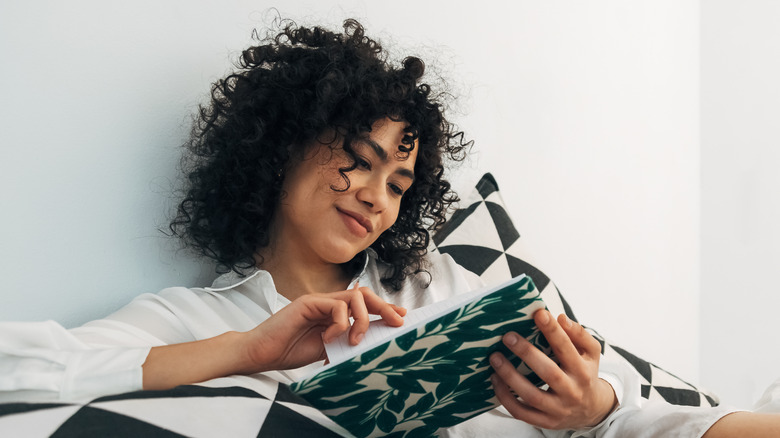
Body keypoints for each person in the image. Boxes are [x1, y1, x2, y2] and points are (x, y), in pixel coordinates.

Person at [0, 18, 777, 437]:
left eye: (399, 181)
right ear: (279, 148)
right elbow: (16, 371)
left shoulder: (438, 286)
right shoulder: (191, 320)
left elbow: (646, 418)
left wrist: (595, 406)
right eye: (358, 161)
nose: (375, 197)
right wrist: (248, 350)